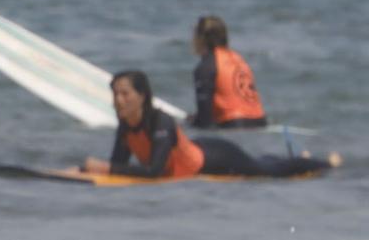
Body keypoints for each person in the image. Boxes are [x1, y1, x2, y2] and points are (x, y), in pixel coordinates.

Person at [85, 70, 334, 180]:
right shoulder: (125, 126)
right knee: (263, 161)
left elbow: (154, 172)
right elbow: (118, 166)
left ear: (142, 96)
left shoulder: (161, 122)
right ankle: (294, 156)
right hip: (197, 148)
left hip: (216, 158)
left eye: (125, 94)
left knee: (269, 172)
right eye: (115, 94)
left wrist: (105, 167)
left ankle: (324, 163)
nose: (118, 100)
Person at [190, 15, 268, 129]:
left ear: (201, 39)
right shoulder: (239, 60)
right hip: (260, 122)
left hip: (234, 125)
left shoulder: (206, 67)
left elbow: (204, 121)